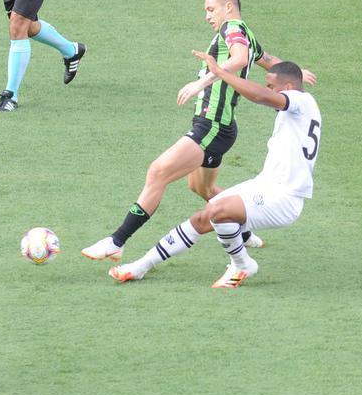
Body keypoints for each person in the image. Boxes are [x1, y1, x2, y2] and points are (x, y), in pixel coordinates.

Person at [81, 0, 315, 262]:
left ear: (228, 8)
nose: (207, 16)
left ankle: (116, 241)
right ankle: (245, 232)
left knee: (158, 172)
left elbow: (240, 59)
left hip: (212, 125)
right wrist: (297, 71)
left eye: (211, 9)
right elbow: (266, 60)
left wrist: (202, 81)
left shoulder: (232, 28)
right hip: (219, 126)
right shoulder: (245, 33)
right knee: (201, 188)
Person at [110, 56, 320, 287]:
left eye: (271, 85)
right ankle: (140, 267)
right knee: (204, 216)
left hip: (285, 197)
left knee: (220, 211)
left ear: (288, 88)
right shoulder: (302, 108)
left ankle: (242, 264)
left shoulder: (300, 101)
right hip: (266, 184)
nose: (268, 89)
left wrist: (220, 73)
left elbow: (260, 96)